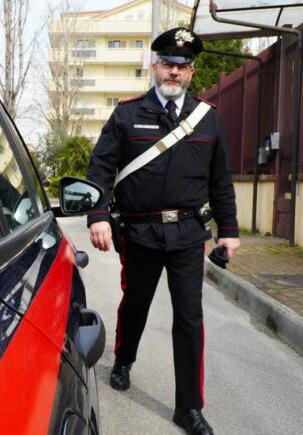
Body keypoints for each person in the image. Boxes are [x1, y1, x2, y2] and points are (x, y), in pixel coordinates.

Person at [86, 28, 241, 435]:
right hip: (140, 234)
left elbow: (220, 180)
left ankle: (188, 408)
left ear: (191, 72)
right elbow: (100, 168)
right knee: (135, 304)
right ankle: (124, 361)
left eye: (182, 67)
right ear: (155, 66)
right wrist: (98, 215)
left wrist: (228, 229)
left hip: (189, 234)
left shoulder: (208, 120)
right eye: (168, 64)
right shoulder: (126, 114)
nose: (174, 72)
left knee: (189, 319)